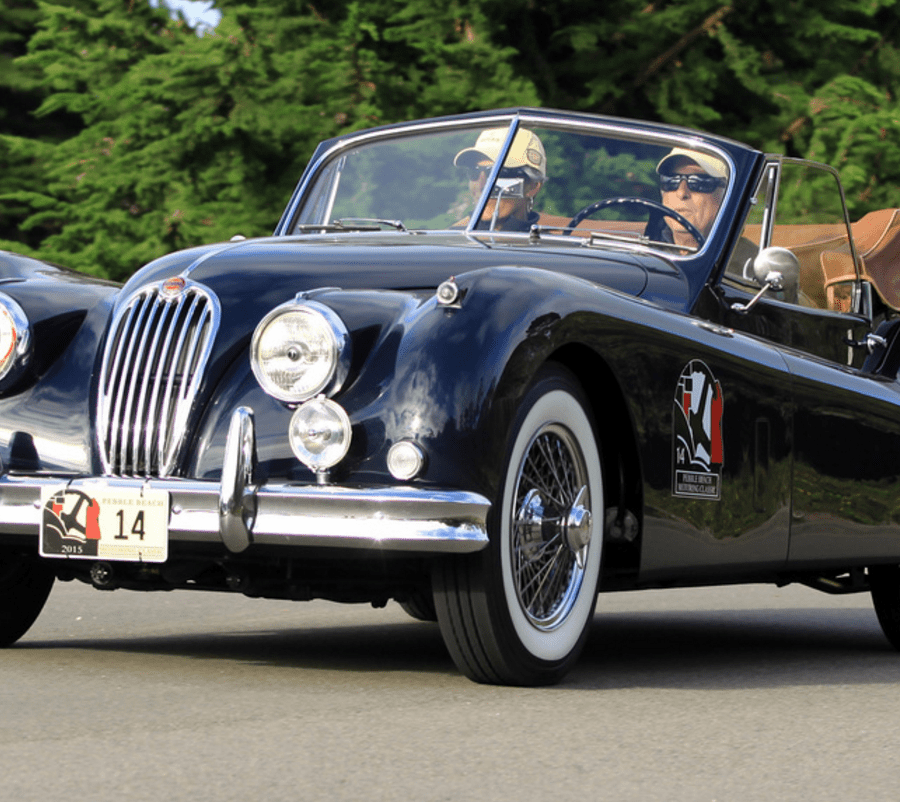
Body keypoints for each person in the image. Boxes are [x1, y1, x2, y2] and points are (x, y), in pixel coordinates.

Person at [454, 127, 546, 231]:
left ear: (532, 186)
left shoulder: (552, 245)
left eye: (497, 173)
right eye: (474, 172)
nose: (481, 184)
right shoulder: (448, 242)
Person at [656, 147, 727, 248]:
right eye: (671, 180)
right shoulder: (641, 250)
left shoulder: (745, 261)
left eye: (699, 182)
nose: (681, 193)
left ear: (726, 194)